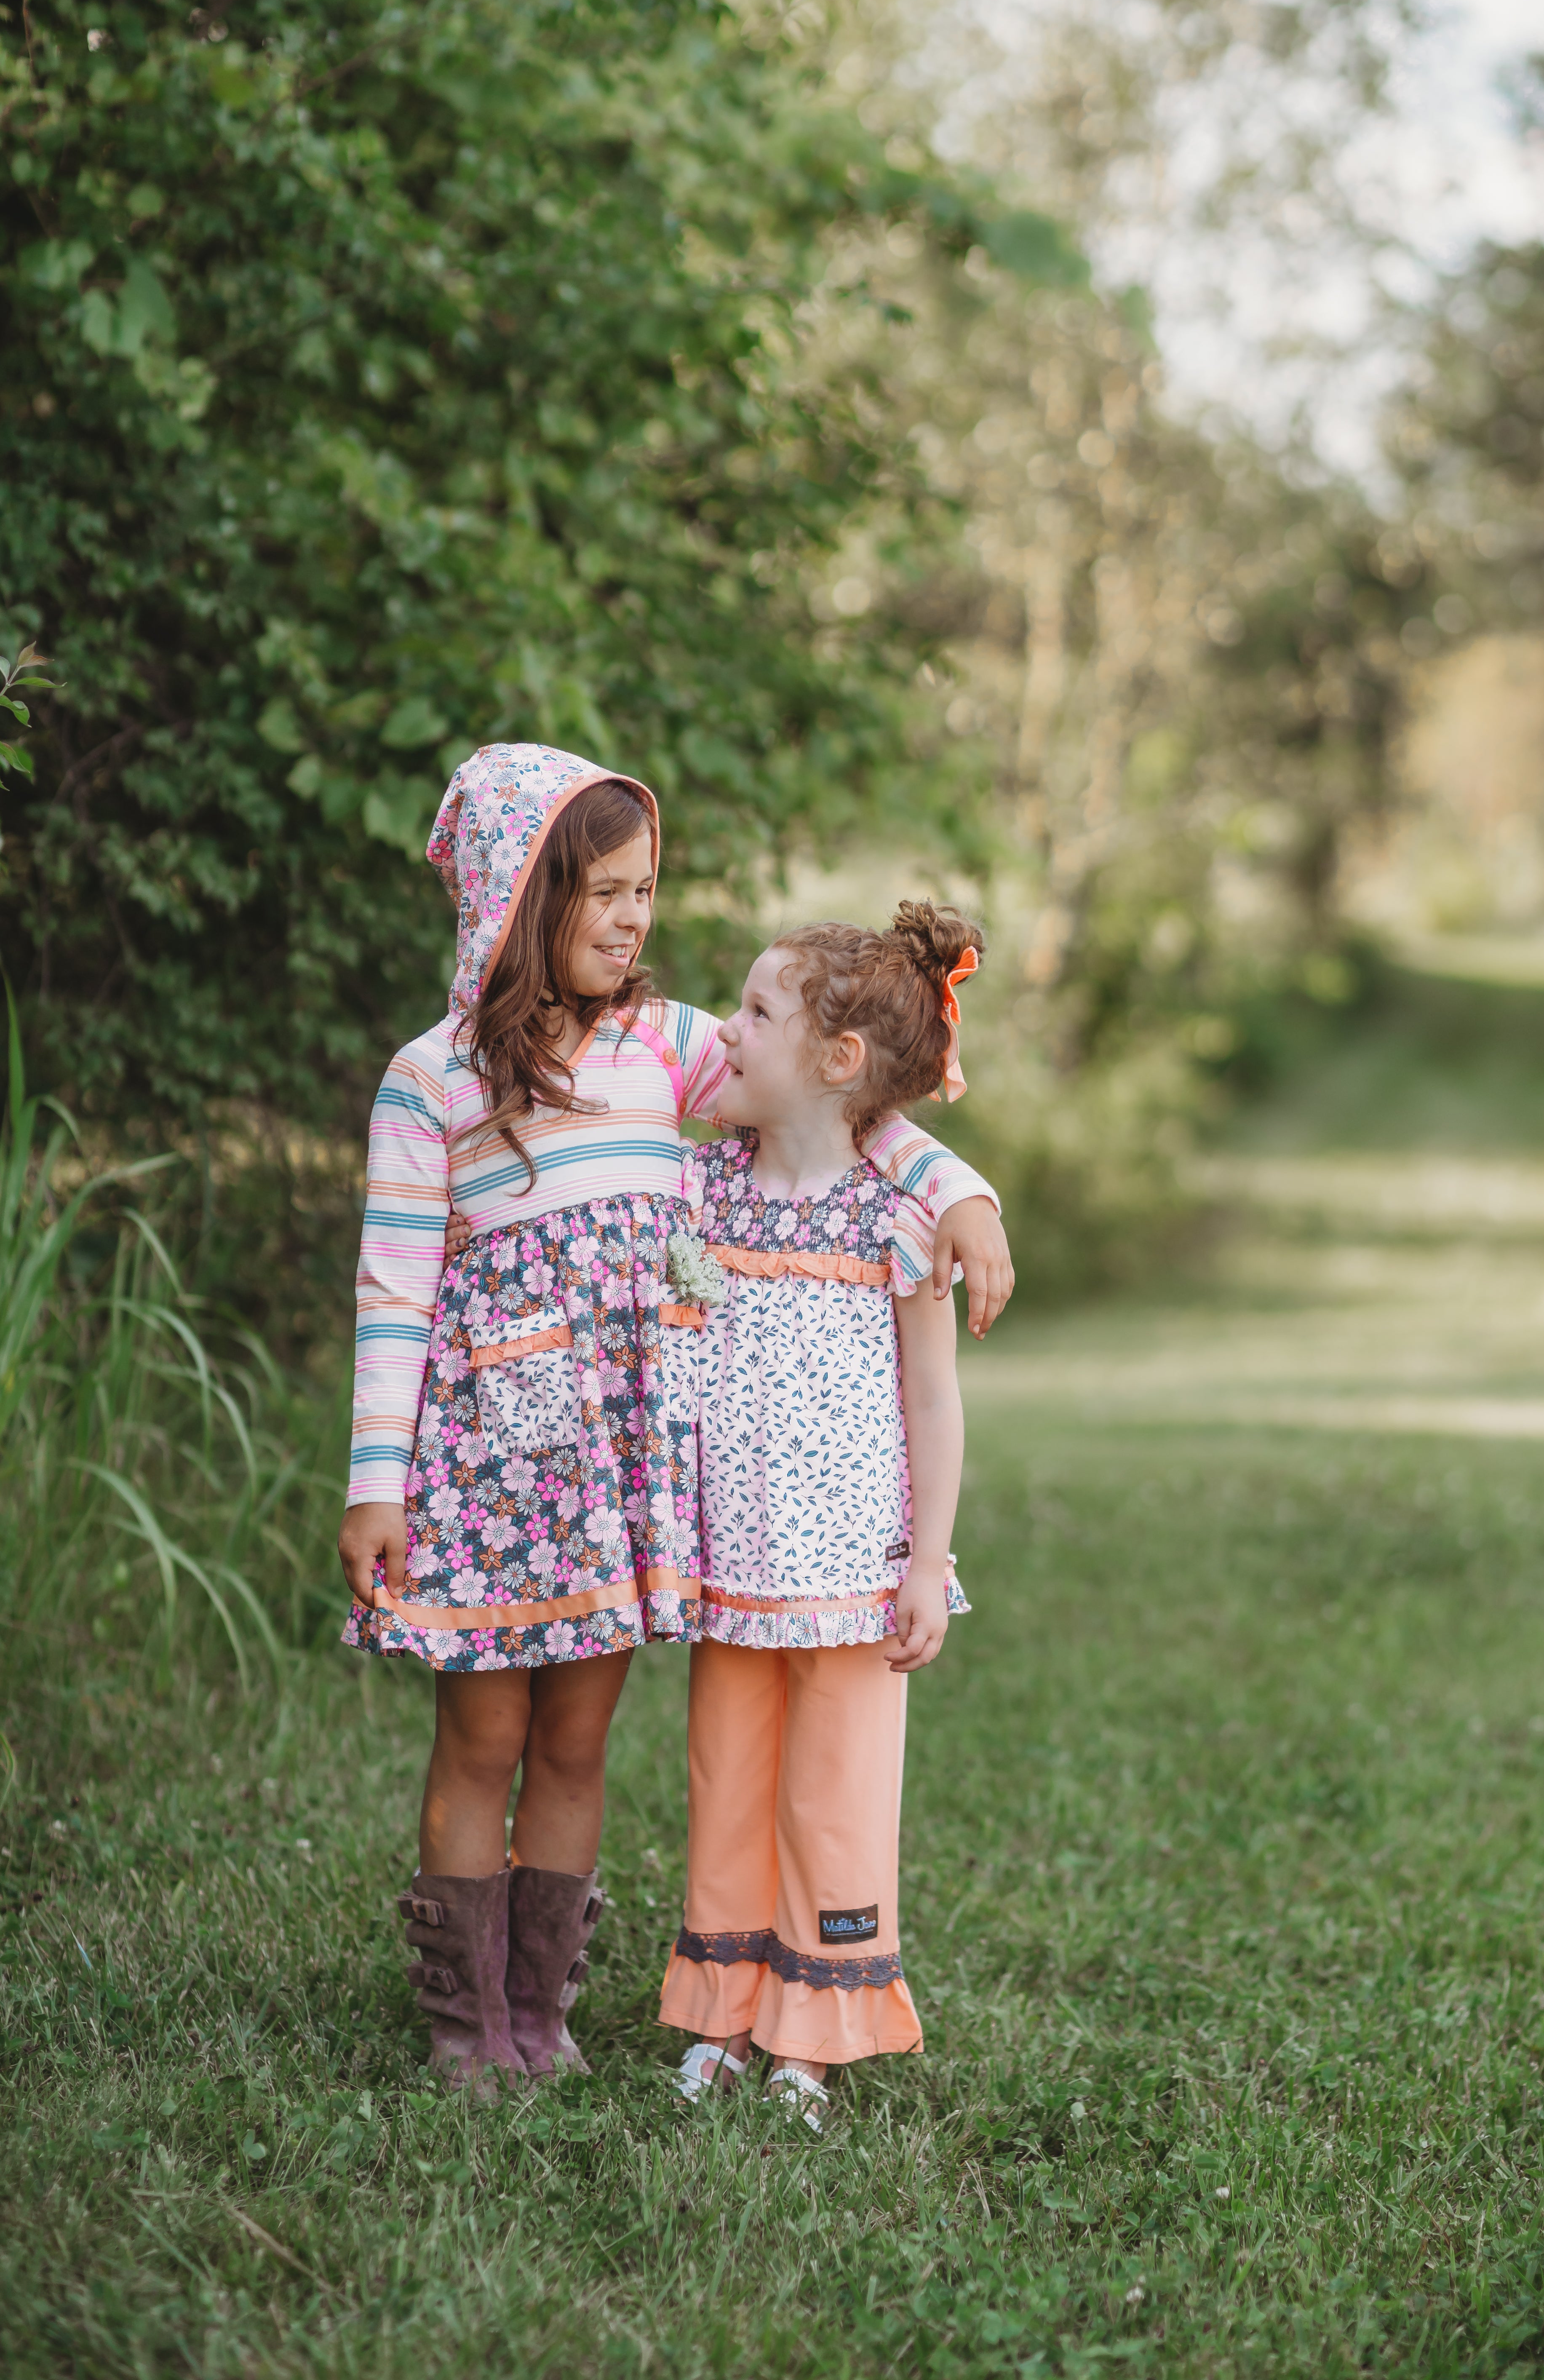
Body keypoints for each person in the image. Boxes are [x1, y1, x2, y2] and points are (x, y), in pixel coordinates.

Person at [335, 744, 1013, 2092]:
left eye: (646, 891)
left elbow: (840, 1098)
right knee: (482, 1737)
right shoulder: (434, 1083)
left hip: (620, 1476)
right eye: (601, 895)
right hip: (487, 1471)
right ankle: (469, 2026)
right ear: (517, 899)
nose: (635, 919)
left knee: (578, 1739)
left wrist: (957, 1192)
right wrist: (377, 1480)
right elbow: (394, 1290)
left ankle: (544, 2013)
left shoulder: (667, 1046)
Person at [660, 903, 983, 2129]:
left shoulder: (896, 1216)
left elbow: (935, 1401)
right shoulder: (704, 1187)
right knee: (729, 1785)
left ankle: (815, 2030)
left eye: (753, 1013)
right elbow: (668, 1072)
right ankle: (728, 2017)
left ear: (837, 1063)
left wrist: (927, 1561)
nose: (725, 1030)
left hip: (854, 1572)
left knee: (836, 1795)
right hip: (731, 1567)